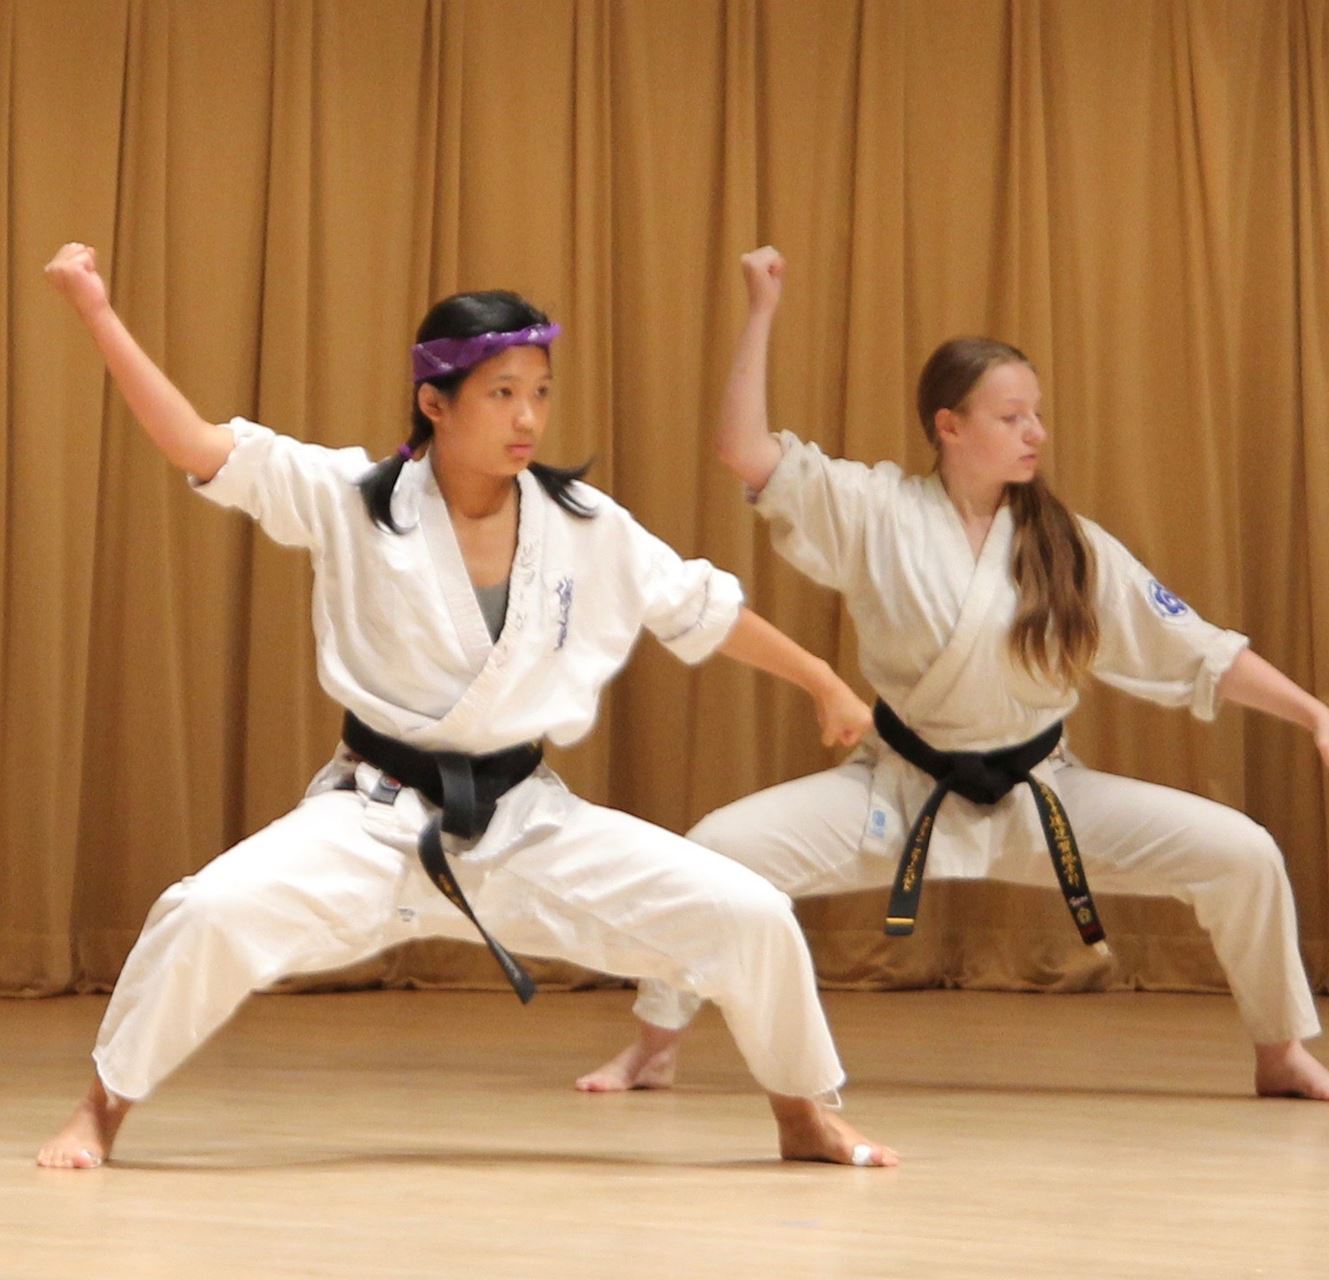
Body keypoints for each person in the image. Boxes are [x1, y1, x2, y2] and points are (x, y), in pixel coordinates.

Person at [35, 242, 899, 1170]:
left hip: (526, 820)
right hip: (371, 816)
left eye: (539, 392)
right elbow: (196, 443)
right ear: (434, 403)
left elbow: (701, 606)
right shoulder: (351, 499)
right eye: (500, 393)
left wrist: (823, 679)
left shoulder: (583, 523)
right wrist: (94, 310)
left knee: (750, 912)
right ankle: (100, 1111)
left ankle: (802, 1115)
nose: (527, 416)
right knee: (206, 913)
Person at [577, 246, 1329, 1103]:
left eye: (1035, 416)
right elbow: (744, 450)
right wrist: (762, 309)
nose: (1034, 433)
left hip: (1041, 794)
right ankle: (654, 1044)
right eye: (1010, 416)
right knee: (720, 849)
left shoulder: (1068, 544)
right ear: (948, 426)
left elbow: (1199, 647)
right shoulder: (874, 509)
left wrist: (1310, 712)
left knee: (1243, 854)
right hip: (898, 791)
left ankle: (1280, 1051)